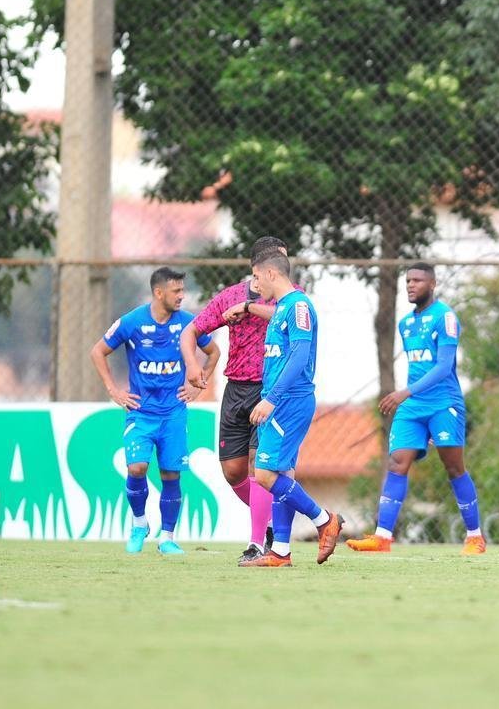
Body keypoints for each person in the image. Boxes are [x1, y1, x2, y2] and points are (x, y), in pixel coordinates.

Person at [346, 263, 485, 555]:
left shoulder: (444, 317)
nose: (411, 285)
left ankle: (475, 537)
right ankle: (382, 537)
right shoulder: (406, 323)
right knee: (397, 462)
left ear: (432, 284)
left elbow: (444, 366)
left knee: (454, 467)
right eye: (408, 280)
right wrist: (408, 396)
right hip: (412, 407)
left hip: (443, 403)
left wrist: (404, 392)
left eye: (417, 280)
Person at [90, 267, 219, 555]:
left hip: (173, 412)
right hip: (141, 412)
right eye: (176, 291)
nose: (181, 296)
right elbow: (97, 351)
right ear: (159, 292)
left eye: (183, 291)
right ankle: (139, 524)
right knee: (136, 467)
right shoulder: (132, 321)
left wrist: (199, 386)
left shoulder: (188, 324)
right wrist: (114, 390)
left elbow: (214, 352)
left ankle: (167, 538)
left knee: (171, 474)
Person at [180, 236, 287, 566]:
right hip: (235, 389)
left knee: (260, 466)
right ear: (256, 269)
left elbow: (289, 317)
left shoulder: (291, 299)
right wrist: (193, 365)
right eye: (274, 263)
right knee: (233, 471)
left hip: (269, 390)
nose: (281, 272)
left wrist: (250, 309)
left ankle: (257, 543)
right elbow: (190, 332)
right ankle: (270, 524)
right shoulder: (230, 296)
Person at [242, 248, 344, 567]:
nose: (255, 283)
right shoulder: (283, 308)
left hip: (289, 400)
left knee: (264, 474)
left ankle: (324, 519)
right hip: (281, 399)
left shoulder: (298, 306)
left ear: (272, 274)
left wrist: (270, 399)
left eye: (257, 276)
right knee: (281, 473)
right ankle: (281, 552)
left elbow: (299, 356)